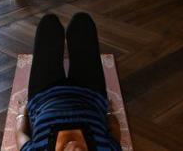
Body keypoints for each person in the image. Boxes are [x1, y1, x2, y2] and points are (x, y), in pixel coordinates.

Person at [16, 13, 122, 151]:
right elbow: (114, 135)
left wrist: (21, 113)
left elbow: (21, 136)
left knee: (49, 25)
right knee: (82, 23)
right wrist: (109, 112)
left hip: (44, 95)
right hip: (90, 94)